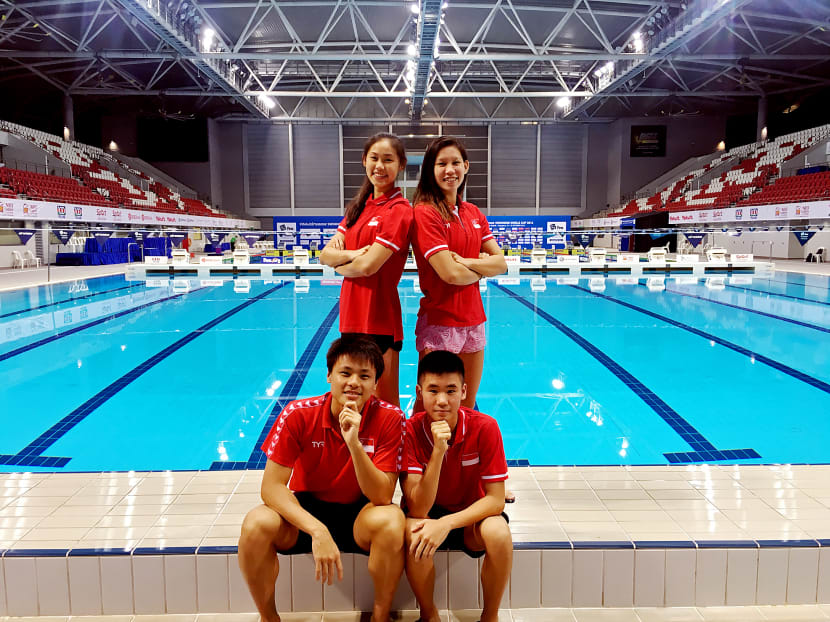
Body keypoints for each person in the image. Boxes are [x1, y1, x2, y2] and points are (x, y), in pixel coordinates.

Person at [238, 336, 407, 622]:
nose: (354, 382)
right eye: (346, 373)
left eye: (365, 376)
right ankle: (269, 617)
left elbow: (382, 496)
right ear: (329, 375)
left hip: (361, 514)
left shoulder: (390, 418)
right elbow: (271, 488)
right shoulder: (299, 415)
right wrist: (317, 530)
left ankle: (380, 615)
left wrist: (354, 443)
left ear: (376, 383)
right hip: (307, 511)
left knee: (392, 521)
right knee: (256, 525)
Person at [401, 351, 512, 622]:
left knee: (499, 533)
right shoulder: (410, 431)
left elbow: (496, 500)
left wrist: (448, 523)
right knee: (414, 534)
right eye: (433, 390)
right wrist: (439, 451)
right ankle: (429, 614)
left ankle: (490, 616)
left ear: (463, 391)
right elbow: (417, 506)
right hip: (427, 514)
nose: (442, 400)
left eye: (450, 391)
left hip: (469, 517)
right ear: (419, 392)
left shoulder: (486, 427)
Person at [410, 136, 506, 410]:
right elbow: (449, 274)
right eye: (441, 164)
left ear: (466, 166)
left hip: (474, 320)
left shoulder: (473, 212)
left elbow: (501, 264)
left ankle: (460, 454)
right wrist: (480, 267)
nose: (449, 170)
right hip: (441, 321)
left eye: (455, 163)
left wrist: (465, 261)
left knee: (466, 404)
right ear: (431, 169)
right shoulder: (426, 213)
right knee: (432, 407)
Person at [320, 133, 413, 406]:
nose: (380, 166)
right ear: (364, 161)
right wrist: (350, 255)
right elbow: (325, 254)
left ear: (401, 165)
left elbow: (369, 266)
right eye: (374, 158)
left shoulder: (399, 210)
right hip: (351, 315)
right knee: (353, 400)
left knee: (385, 404)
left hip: (379, 316)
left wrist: (341, 264)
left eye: (388, 160)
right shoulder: (357, 209)